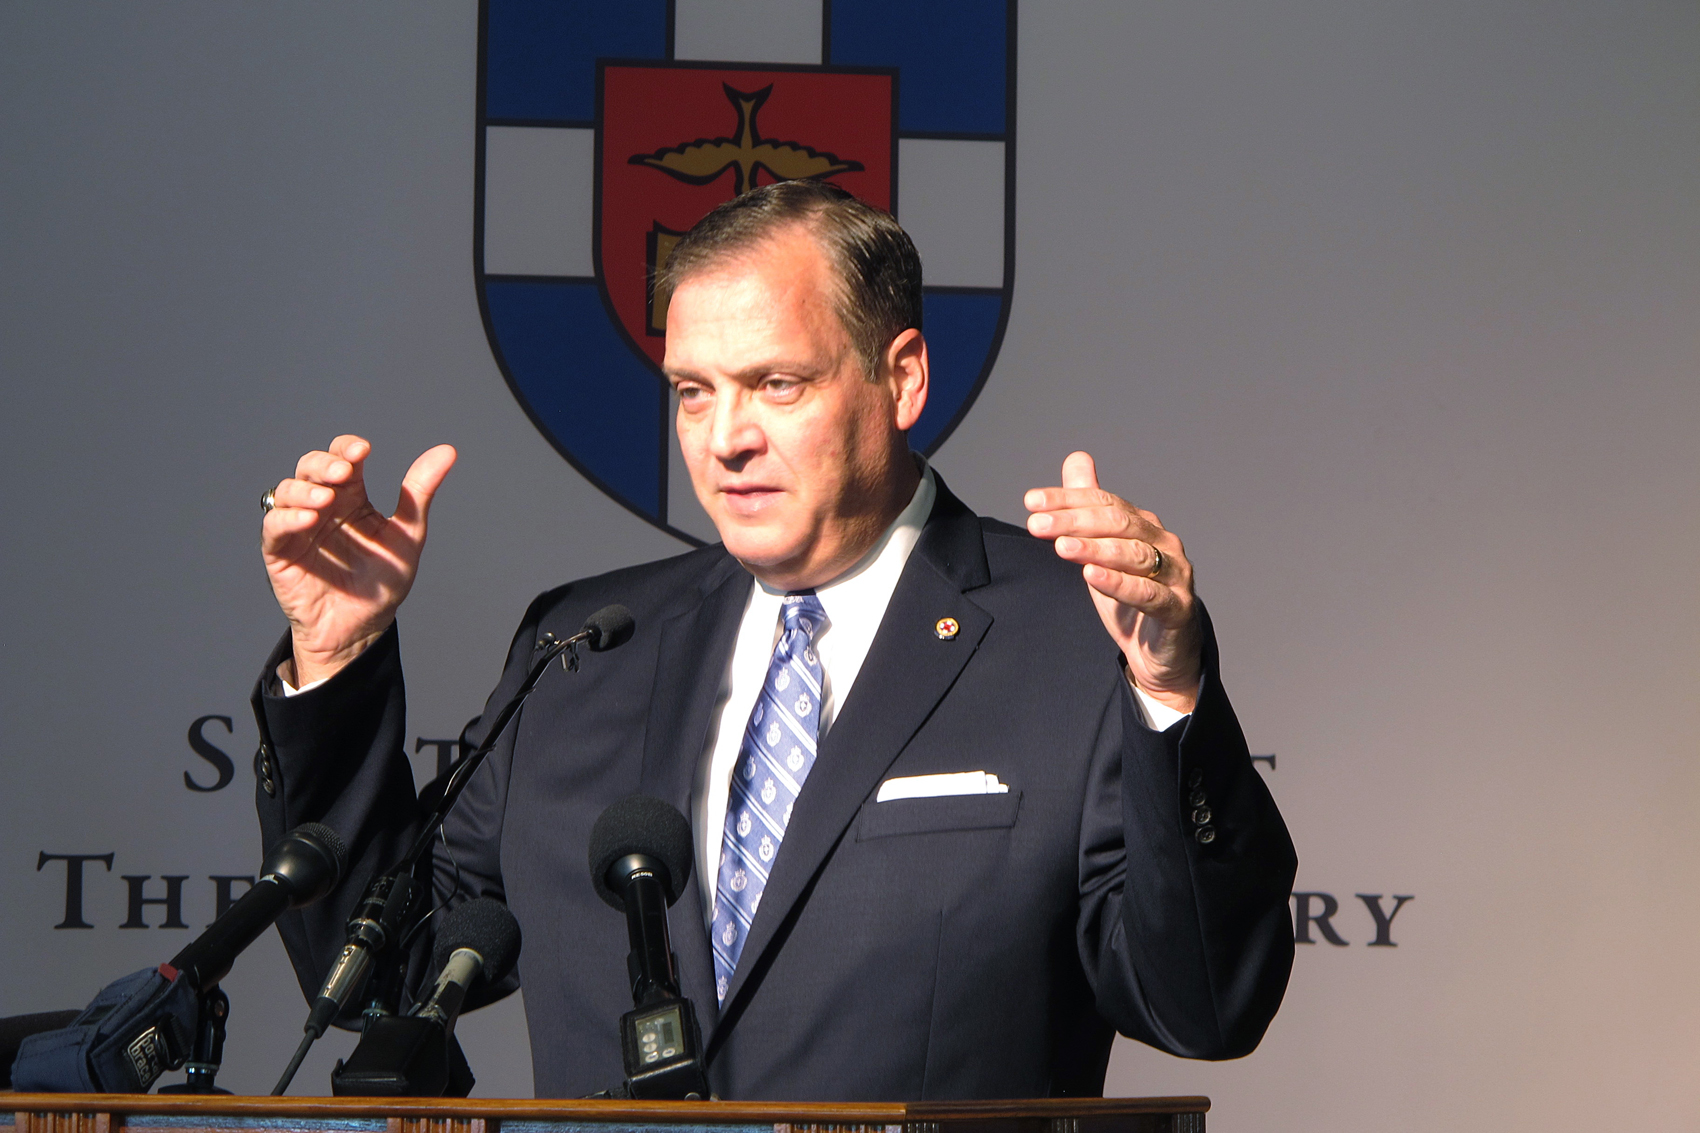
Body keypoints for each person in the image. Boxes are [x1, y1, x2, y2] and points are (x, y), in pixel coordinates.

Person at [253, 181, 1296, 1100]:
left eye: (776, 384)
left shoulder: (1070, 635)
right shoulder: (580, 645)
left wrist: (1168, 688)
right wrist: (333, 655)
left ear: (901, 379)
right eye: (691, 392)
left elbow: (1202, 1002)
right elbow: (388, 974)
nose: (725, 438)